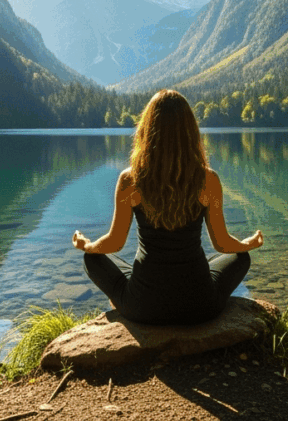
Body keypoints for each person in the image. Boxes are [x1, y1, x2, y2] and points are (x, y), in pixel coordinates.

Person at [71, 89, 264, 325]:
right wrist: (247, 245)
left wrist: (87, 245)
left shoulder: (130, 180)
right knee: (240, 258)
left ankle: (123, 300)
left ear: (147, 130)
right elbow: (222, 243)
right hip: (201, 305)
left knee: (92, 259)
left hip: (142, 307)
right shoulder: (208, 180)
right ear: (191, 132)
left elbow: (115, 242)